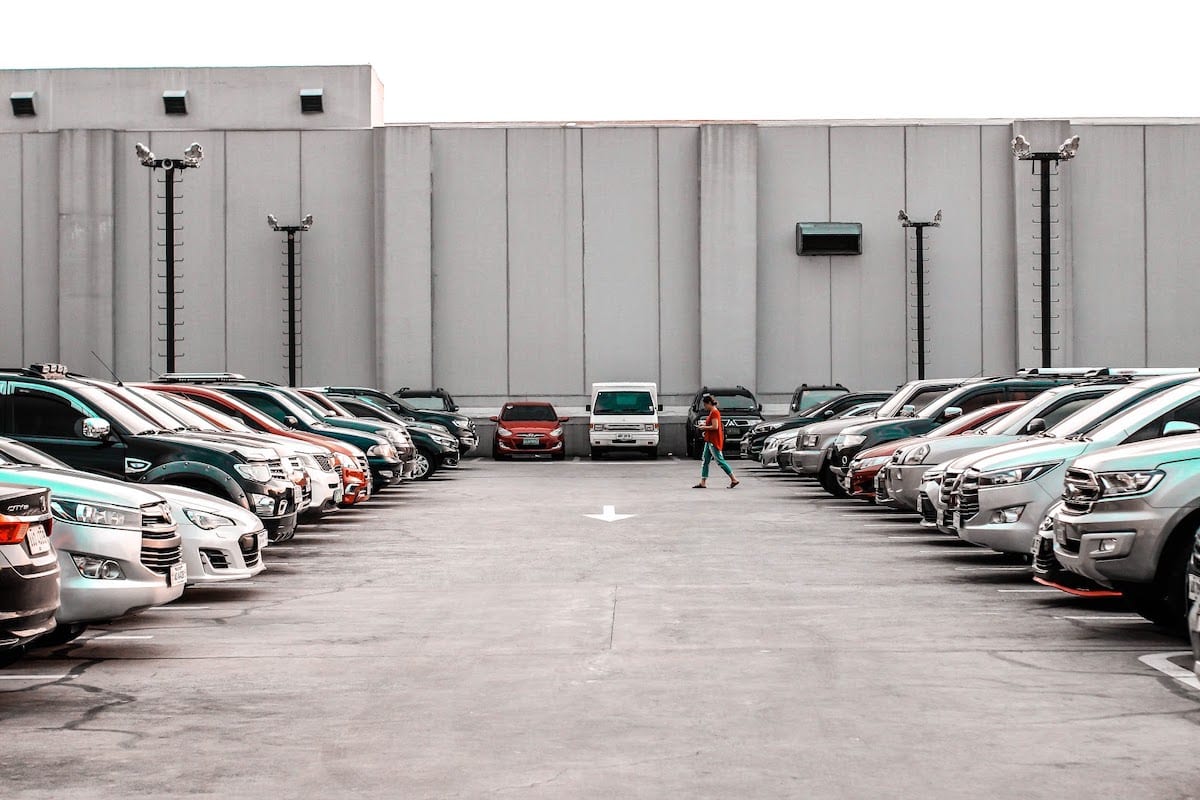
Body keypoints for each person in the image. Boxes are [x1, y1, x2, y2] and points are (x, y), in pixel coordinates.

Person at [693, 394, 739, 489]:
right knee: (705, 460)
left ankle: (733, 479)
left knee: (719, 461)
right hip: (709, 439)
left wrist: (703, 427)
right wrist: (704, 424)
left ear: (709, 403)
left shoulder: (714, 412)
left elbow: (715, 426)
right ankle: (703, 482)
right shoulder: (712, 412)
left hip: (713, 440)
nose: (705, 407)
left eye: (705, 405)